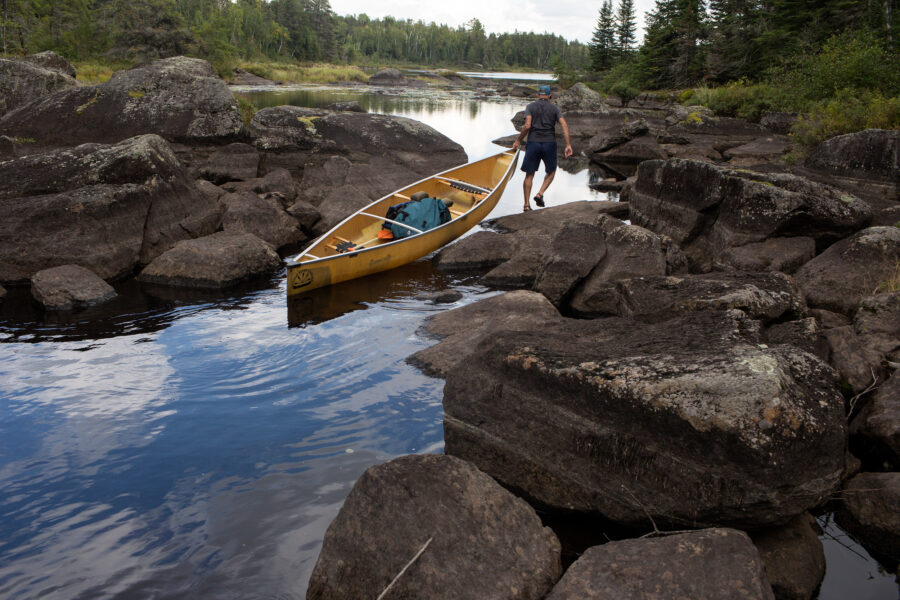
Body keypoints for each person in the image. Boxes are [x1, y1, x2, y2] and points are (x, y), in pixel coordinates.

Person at [511, 85, 573, 211]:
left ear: (538, 95)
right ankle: (539, 194)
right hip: (549, 143)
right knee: (551, 172)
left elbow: (527, 125)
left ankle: (527, 205)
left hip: (533, 142)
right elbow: (564, 125)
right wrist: (568, 145)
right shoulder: (555, 109)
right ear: (550, 96)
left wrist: (518, 140)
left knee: (529, 174)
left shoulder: (530, 107)